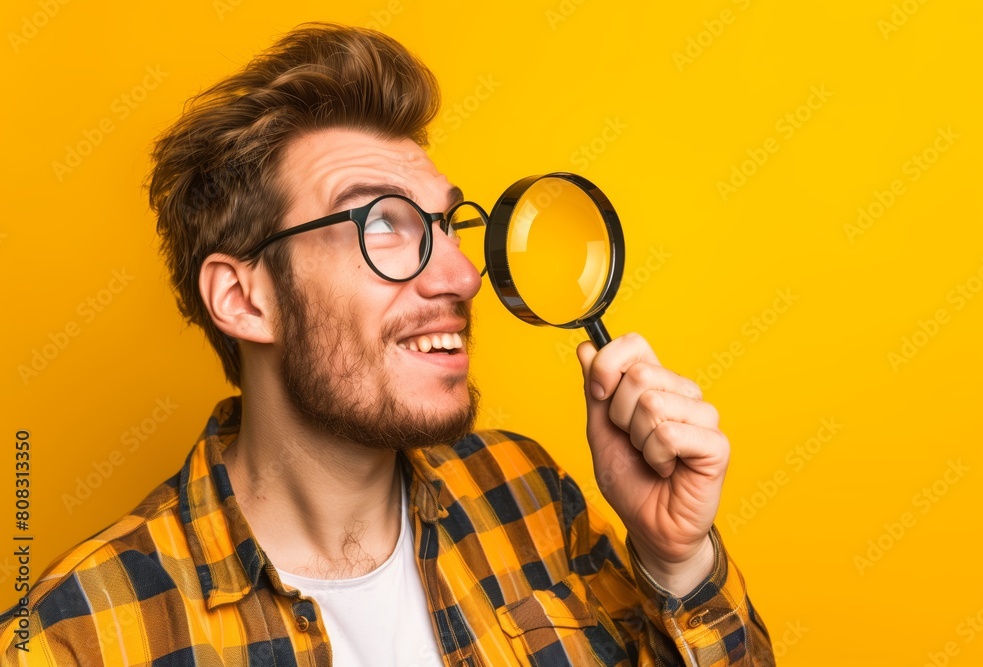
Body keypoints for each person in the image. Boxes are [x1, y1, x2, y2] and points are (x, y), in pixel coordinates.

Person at [0, 23, 774, 666]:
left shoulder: (530, 495)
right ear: (242, 299)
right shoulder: (72, 639)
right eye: (379, 224)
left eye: (444, 223)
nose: (463, 276)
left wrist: (677, 558)